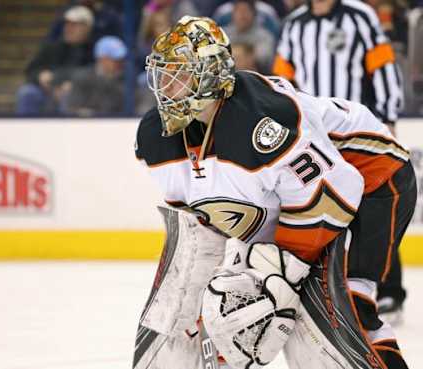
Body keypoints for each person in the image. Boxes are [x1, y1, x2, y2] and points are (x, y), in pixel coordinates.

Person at [135, 16, 416, 369]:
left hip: (374, 179)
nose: (165, 85)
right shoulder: (154, 138)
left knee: (347, 311)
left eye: (178, 74)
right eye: (162, 74)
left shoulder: (264, 121)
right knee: (240, 306)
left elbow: (334, 194)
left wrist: (281, 272)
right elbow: (204, 224)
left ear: (209, 74)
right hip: (302, 198)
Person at [273, 0, 408, 321]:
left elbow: (383, 66)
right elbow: (282, 80)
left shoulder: (358, 16)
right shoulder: (295, 24)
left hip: (354, 131)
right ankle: (327, 291)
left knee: (373, 206)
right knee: (321, 206)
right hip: (312, 136)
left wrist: (387, 118)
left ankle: (388, 290)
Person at [15, 5, 95, 116]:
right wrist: (40, 76)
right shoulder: (51, 47)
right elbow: (30, 70)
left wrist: (75, 85)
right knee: (27, 93)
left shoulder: (93, 50)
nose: (68, 28)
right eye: (66, 24)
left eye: (74, 25)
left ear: (87, 28)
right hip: (47, 92)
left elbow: (95, 74)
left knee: (69, 95)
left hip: (79, 96)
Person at [60, 35, 127, 116]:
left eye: (121, 60)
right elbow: (72, 108)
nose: (119, 63)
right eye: (115, 59)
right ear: (102, 58)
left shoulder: (125, 79)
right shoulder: (83, 78)